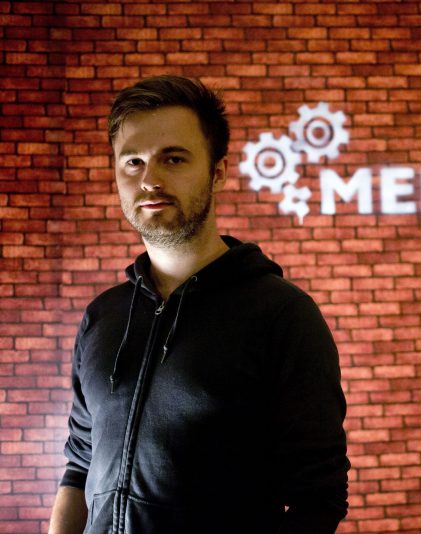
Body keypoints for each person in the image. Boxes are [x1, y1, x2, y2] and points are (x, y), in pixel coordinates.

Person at [48, 75, 350, 534]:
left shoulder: (282, 315)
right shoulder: (103, 316)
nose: (150, 179)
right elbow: (79, 464)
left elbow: (318, 497)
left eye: (173, 158)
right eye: (133, 161)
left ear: (219, 171)